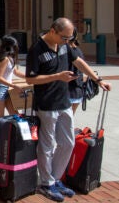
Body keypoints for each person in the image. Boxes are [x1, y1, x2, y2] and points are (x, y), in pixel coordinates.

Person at [26, 18, 111, 202]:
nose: (67, 41)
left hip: (64, 102)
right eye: (64, 37)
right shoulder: (37, 50)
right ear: (53, 31)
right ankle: (46, 183)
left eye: (69, 38)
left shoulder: (64, 46)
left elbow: (79, 61)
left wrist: (98, 80)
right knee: (47, 145)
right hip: (47, 105)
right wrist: (57, 76)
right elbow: (30, 80)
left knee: (68, 143)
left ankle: (55, 178)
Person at [0, 35, 25, 117]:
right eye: (16, 45)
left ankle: (13, 129)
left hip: (7, 88)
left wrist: (29, 77)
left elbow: (16, 72)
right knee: (0, 117)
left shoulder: (11, 59)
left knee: (15, 114)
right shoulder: (5, 59)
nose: (17, 47)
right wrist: (13, 85)